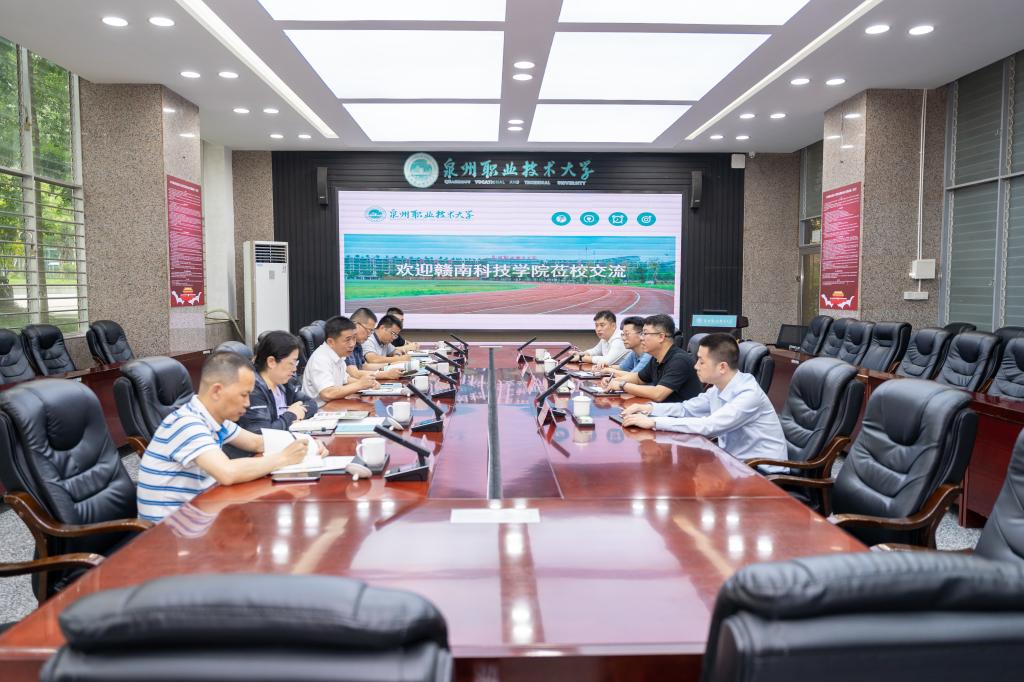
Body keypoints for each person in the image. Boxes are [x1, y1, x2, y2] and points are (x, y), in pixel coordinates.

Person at [137, 351, 326, 522]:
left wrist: (306, 445)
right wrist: (283, 458)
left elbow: (257, 443)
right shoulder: (187, 423)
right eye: (243, 395)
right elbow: (227, 472)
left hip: (200, 512)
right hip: (169, 532)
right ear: (217, 391)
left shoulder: (214, 419)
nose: (248, 403)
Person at [621, 333, 787, 464]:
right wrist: (649, 408)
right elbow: (686, 408)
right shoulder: (718, 388)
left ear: (722, 367)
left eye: (701, 361)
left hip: (763, 470)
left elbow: (709, 426)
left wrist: (653, 422)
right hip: (735, 463)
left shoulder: (748, 394)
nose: (695, 366)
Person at [601, 314, 702, 402]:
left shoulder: (679, 361)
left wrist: (622, 385)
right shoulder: (656, 358)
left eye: (645, 334)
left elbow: (658, 394)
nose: (641, 338)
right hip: (661, 410)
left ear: (661, 337)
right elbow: (638, 378)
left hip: (680, 415)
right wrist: (615, 381)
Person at [236, 331, 318, 433]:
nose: (294, 369)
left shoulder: (282, 383)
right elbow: (262, 432)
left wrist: (297, 415)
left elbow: (311, 403)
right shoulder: (253, 389)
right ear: (271, 362)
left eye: (295, 363)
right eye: (291, 363)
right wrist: (291, 416)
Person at [303, 315, 379, 406]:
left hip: (335, 406)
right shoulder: (320, 359)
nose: (352, 344)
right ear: (331, 342)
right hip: (320, 410)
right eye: (347, 340)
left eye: (354, 338)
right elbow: (327, 393)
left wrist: (369, 383)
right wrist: (360, 384)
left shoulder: (339, 354)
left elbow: (345, 379)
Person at [349, 307, 402, 380]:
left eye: (371, 331)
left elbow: (364, 367)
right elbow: (354, 374)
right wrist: (386, 374)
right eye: (369, 330)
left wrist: (392, 365)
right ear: (355, 324)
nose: (369, 334)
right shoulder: (345, 343)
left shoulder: (358, 343)